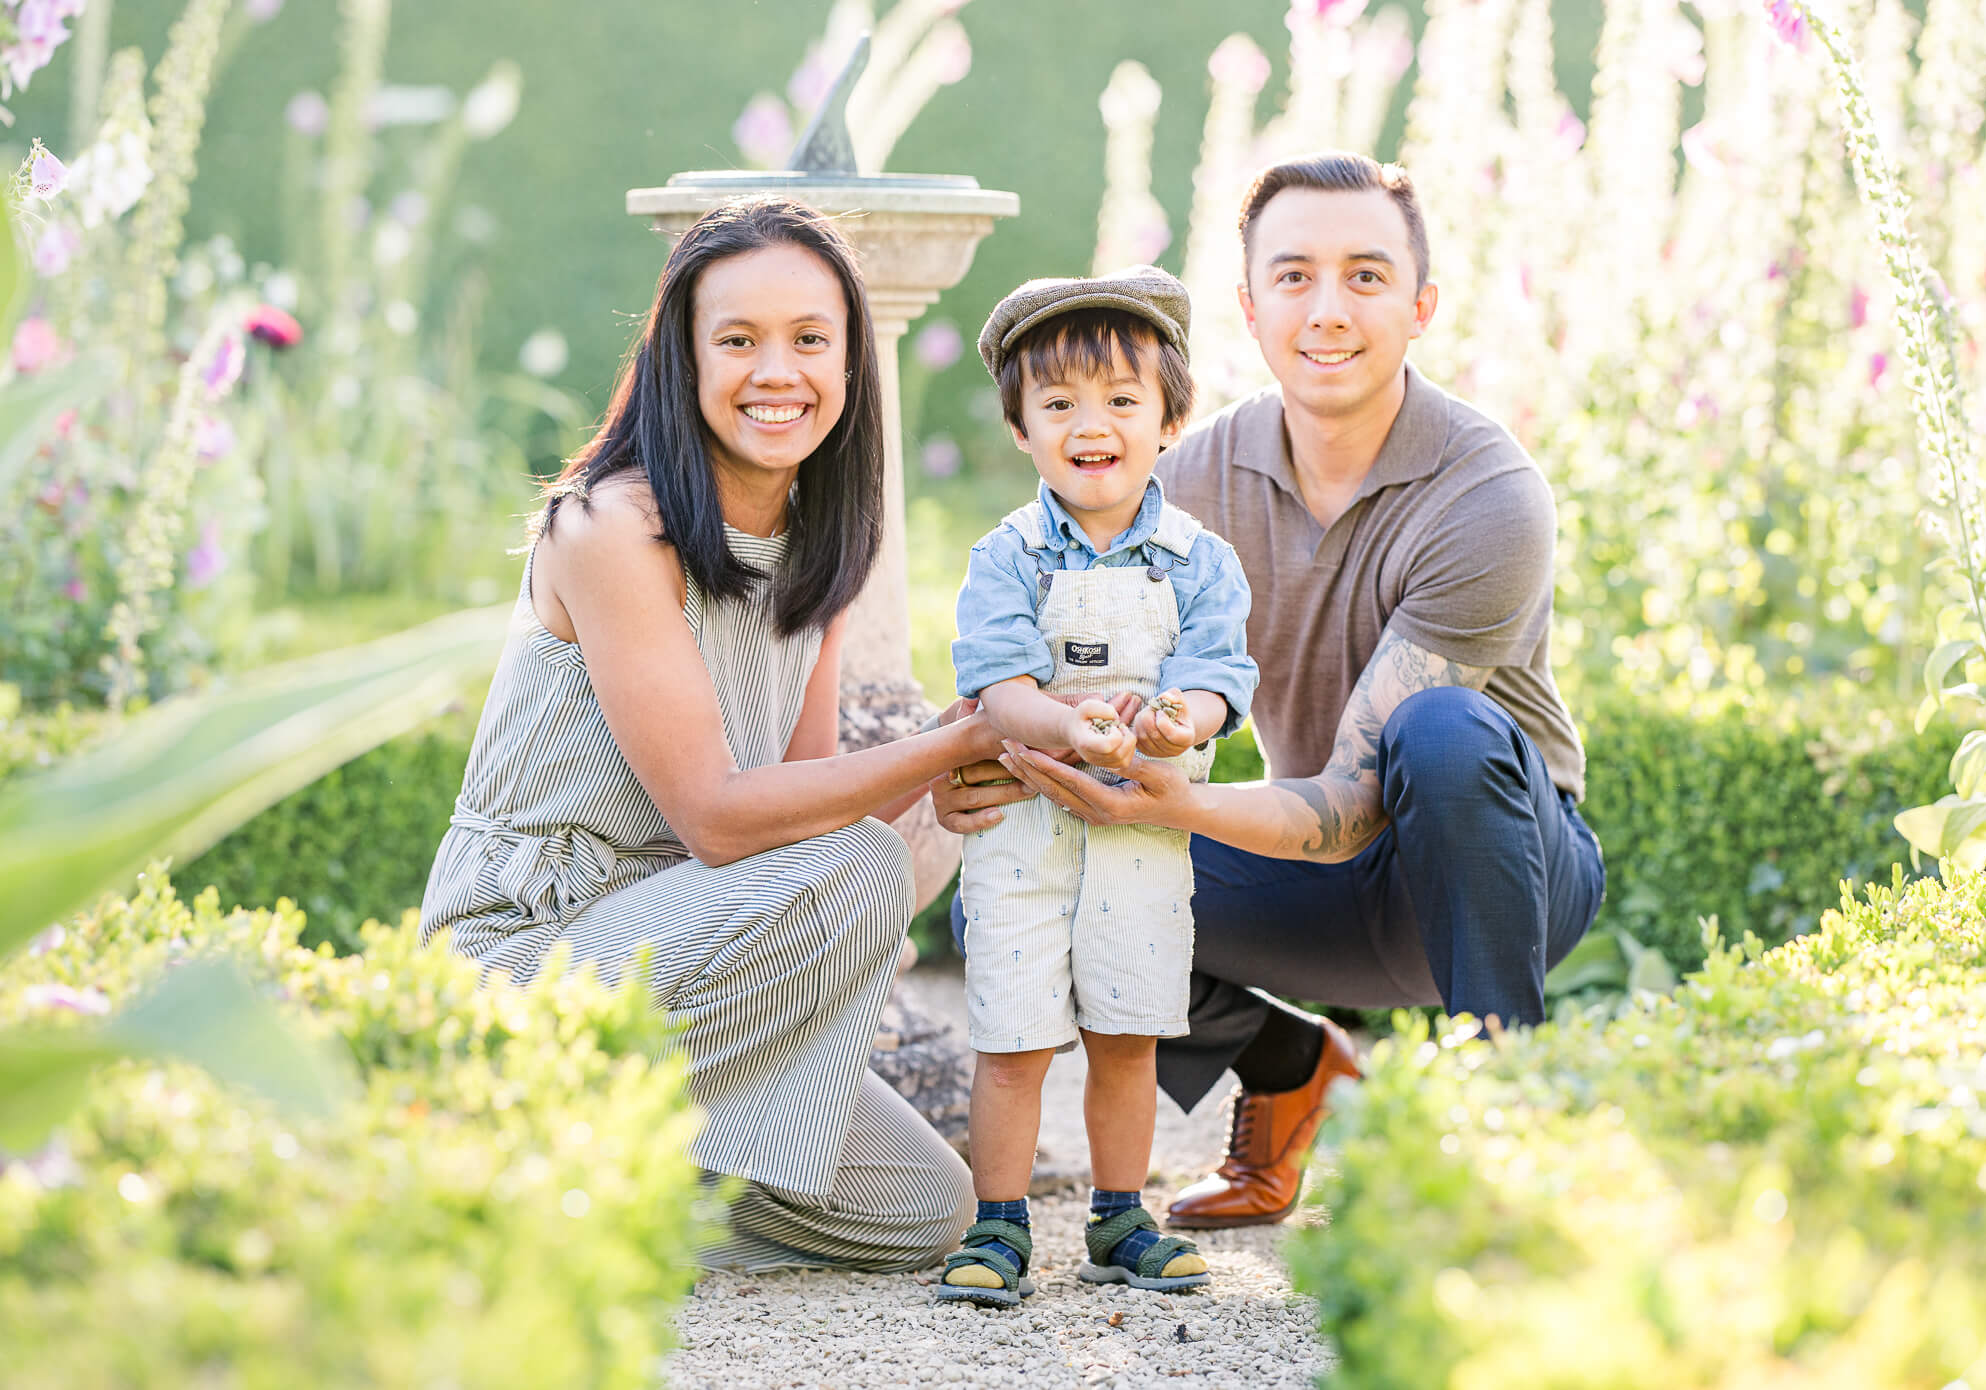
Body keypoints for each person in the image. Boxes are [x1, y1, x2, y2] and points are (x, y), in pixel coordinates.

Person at [934, 152, 1605, 1230]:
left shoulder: (1489, 492)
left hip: (1502, 868)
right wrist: (971, 766)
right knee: (1015, 894)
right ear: (1249, 308)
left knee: (1438, 733)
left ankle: (1503, 1120)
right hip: (1319, 878)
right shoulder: (1184, 485)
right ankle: (1294, 1067)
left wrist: (1168, 802)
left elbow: (1355, 801)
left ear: (1422, 304)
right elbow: (1040, 667)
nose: (1328, 310)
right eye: (1294, 276)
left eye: (1367, 276)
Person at [418, 196, 1001, 1273]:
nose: (776, 371)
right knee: (865, 866)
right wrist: (930, 754)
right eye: (738, 340)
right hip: (525, 958)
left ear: (851, 362)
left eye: (809, 340)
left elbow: (806, 799)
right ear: (683, 362)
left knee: (926, 1207)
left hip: (683, 949)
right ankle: (491, 1128)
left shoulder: (820, 544)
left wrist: (959, 751)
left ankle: (603, 1186)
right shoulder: (610, 529)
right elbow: (722, 820)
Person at [933, 267, 1258, 1307]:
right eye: (1059, 403)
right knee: (1014, 1036)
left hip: (1141, 841)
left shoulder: (1199, 561)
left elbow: (1218, 671)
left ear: (1170, 420)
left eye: (1122, 401)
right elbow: (998, 681)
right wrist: (1070, 726)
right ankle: (1000, 1223)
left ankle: (1123, 1213)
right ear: (1022, 429)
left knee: (1127, 1031)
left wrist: (1180, 719)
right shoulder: (1008, 557)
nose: (1092, 425)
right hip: (1023, 837)